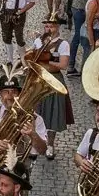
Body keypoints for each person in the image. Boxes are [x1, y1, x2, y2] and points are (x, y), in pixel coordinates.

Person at [0, 66, 47, 194]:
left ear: (19, 94)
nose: (10, 96)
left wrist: (33, 134)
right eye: (6, 92)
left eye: (14, 92)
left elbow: (43, 150)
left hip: (20, 172)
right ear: (0, 95)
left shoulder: (35, 118)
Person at [26, 15, 74, 160]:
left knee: (53, 113)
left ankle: (50, 145)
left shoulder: (63, 44)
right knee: (35, 112)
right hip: (38, 80)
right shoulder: (38, 41)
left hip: (54, 81)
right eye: (46, 26)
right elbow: (31, 59)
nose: (48, 29)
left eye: (52, 26)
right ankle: (35, 143)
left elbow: (63, 65)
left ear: (57, 27)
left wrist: (45, 61)